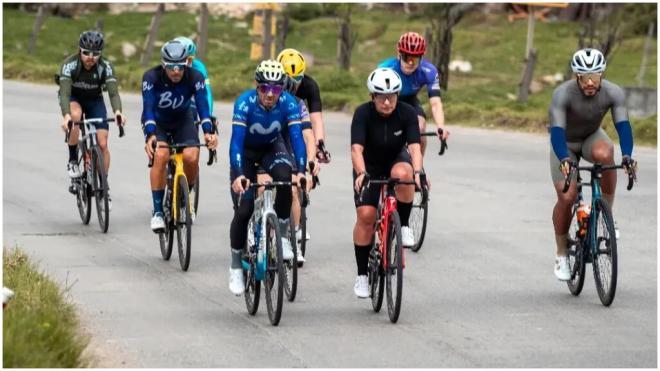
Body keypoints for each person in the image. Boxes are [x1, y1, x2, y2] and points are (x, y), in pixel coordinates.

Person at [548, 48, 637, 281]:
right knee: (567, 197)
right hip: (565, 144)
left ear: (602, 75)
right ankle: (561, 253)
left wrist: (627, 156)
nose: (590, 82)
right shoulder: (562, 94)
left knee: (607, 153)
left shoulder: (613, 92)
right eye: (584, 77)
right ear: (576, 76)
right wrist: (565, 159)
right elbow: (556, 132)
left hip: (590, 137)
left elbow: (623, 126)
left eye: (595, 77)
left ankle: (607, 212)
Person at [228, 60, 307, 295]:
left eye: (276, 89)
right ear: (257, 86)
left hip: (272, 148)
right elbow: (235, 142)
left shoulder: (289, 103)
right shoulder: (244, 103)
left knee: (286, 180)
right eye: (265, 89)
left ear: (282, 89)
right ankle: (234, 266)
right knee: (244, 209)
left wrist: (301, 171)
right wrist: (239, 174)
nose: (270, 95)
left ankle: (282, 235)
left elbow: (297, 139)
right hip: (246, 153)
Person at [350, 67, 424, 298]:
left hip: (394, 160)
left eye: (392, 96)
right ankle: (362, 275)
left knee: (405, 173)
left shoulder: (407, 113)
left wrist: (419, 172)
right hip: (369, 166)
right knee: (366, 216)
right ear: (372, 96)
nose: (387, 101)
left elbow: (414, 147)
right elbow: (356, 149)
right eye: (381, 96)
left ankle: (402, 225)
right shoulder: (362, 113)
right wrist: (361, 173)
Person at [141, 40, 218, 232]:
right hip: (157, 121)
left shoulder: (195, 76)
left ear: (186, 64)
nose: (176, 71)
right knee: (161, 156)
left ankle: (186, 192)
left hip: (183, 120)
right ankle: (158, 211)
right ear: (164, 64)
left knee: (192, 156)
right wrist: (150, 134)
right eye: (172, 67)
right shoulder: (151, 77)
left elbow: (202, 106)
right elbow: (148, 107)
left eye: (180, 66)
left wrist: (208, 131)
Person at [58, 30, 126, 208]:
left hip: (95, 101)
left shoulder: (106, 66)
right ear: (79, 50)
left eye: (95, 54)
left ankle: (104, 187)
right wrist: (66, 116)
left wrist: (118, 112)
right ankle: (73, 160)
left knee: (102, 144)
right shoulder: (69, 65)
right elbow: (64, 93)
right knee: (75, 117)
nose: (90, 57)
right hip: (74, 99)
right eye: (86, 52)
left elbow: (113, 92)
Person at [377, 32, 449, 155]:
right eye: (407, 57)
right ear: (399, 54)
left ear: (422, 57)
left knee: (420, 128)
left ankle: (417, 168)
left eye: (415, 59)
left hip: (410, 100)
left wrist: (440, 126)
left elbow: (436, 103)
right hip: (387, 100)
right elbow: (377, 100)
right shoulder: (386, 69)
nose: (410, 63)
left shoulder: (429, 71)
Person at [277, 48, 332, 163]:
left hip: (299, 123)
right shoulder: (272, 86)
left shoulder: (310, 86)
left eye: (297, 78)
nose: (293, 83)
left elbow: (316, 120)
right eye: (287, 78)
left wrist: (320, 146)